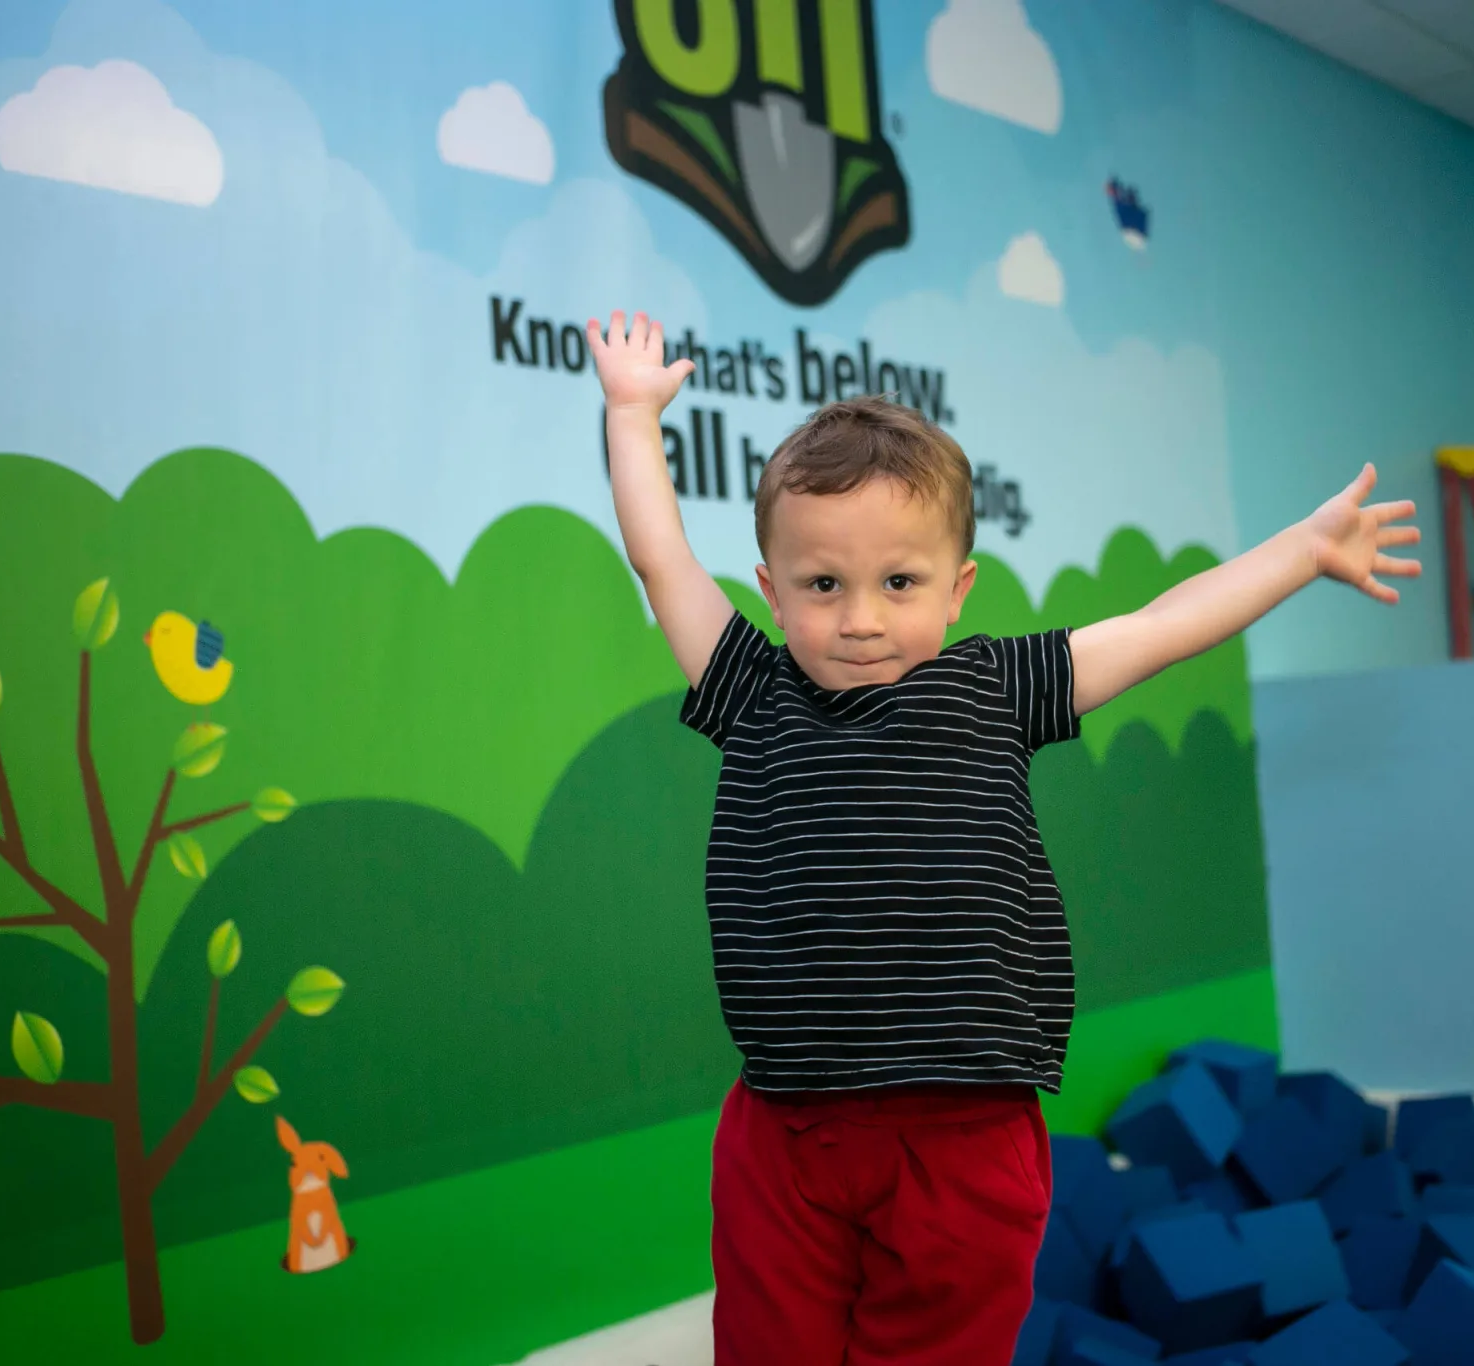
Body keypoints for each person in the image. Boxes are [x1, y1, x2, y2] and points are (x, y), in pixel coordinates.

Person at [586, 310, 1419, 1366]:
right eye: (822, 585)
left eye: (898, 582)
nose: (860, 619)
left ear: (957, 589)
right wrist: (631, 416)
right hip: (786, 1128)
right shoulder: (754, 691)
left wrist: (1304, 550)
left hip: (963, 1132)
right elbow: (661, 561)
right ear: (771, 592)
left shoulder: (994, 686)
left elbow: (1163, 626)